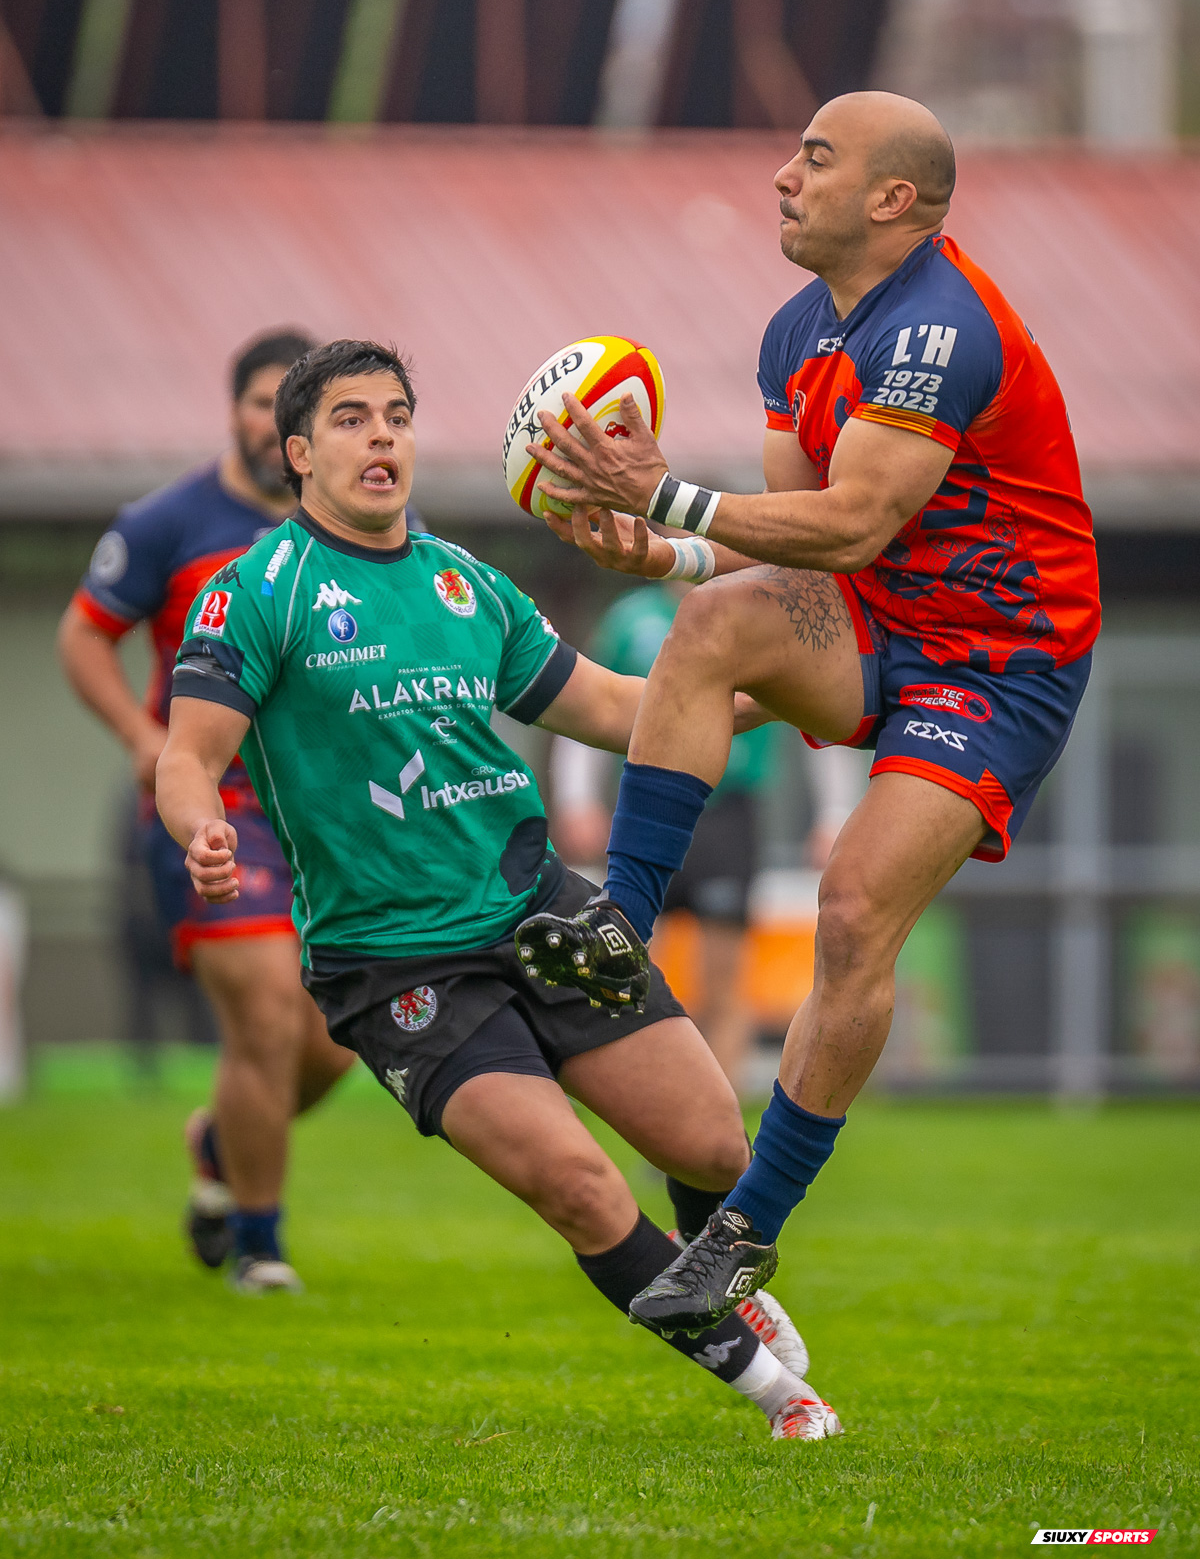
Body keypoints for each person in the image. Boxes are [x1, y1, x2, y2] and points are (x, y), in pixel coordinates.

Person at [155, 337, 842, 1441]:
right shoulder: (255, 596)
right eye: (349, 419)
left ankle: (727, 1282)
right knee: (579, 1188)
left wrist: (806, 694)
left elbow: (623, 707)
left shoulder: (464, 582)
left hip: (537, 911)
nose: (382, 436)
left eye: (396, 415)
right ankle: (777, 1394)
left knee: (714, 1146)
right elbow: (188, 758)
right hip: (395, 962)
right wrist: (200, 832)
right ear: (296, 452)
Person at [514, 90, 1102, 1335]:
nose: (783, 175)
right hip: (886, 619)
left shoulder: (942, 325)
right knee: (713, 625)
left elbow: (853, 520)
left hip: (999, 663)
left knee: (850, 910)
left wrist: (666, 492)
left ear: (894, 199)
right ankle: (622, 920)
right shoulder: (799, 330)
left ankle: (744, 1233)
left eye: (815, 158)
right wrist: (659, 555)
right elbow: (800, 560)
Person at [59, 328, 356, 1293]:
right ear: (234, 409)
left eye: (298, 408)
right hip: (211, 809)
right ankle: (260, 1247)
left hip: (319, 815)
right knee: (268, 1017)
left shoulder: (361, 526)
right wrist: (148, 747)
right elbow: (82, 637)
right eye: (262, 402)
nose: (277, 426)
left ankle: (219, 1148)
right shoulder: (167, 522)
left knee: (335, 1040)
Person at [551, 582, 780, 1092]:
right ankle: (659, 1110)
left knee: (723, 980)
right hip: (644, 803)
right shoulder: (629, 619)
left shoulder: (760, 612)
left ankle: (717, 1124)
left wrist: (833, 810)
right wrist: (577, 801)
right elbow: (591, 703)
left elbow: (812, 705)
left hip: (726, 813)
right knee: (626, 970)